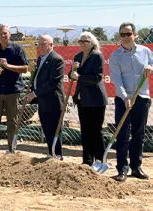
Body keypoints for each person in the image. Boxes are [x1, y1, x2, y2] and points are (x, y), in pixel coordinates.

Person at [109, 22, 153, 182]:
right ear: (119, 36)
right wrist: (125, 97)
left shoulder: (146, 51)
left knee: (138, 135)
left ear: (135, 35)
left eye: (128, 34)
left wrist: (150, 67)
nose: (126, 37)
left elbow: (152, 63)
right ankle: (122, 169)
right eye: (122, 34)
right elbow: (116, 79)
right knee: (122, 134)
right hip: (123, 100)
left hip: (142, 98)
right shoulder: (115, 57)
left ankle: (136, 167)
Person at [0, 24, 28, 154]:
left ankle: (11, 150)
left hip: (12, 90)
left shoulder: (17, 49)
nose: (3, 36)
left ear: (9, 34)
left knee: (12, 122)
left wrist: (8, 66)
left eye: (5, 33)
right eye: (0, 34)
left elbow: (25, 68)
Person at [69, 32, 108, 166]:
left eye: (86, 41)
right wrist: (72, 72)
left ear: (92, 43)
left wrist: (79, 77)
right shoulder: (78, 56)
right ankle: (87, 160)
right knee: (85, 130)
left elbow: (97, 77)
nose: (83, 43)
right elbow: (72, 75)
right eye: (81, 41)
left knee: (96, 130)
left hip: (96, 98)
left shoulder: (97, 55)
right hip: (82, 98)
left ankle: (100, 159)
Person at [24, 35, 64, 159]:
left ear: (51, 45)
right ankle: (50, 152)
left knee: (55, 128)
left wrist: (34, 93)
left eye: (43, 44)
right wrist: (31, 91)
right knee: (46, 128)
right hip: (42, 100)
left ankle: (57, 154)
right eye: (39, 44)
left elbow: (52, 83)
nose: (40, 47)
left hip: (53, 101)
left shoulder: (57, 60)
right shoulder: (40, 58)